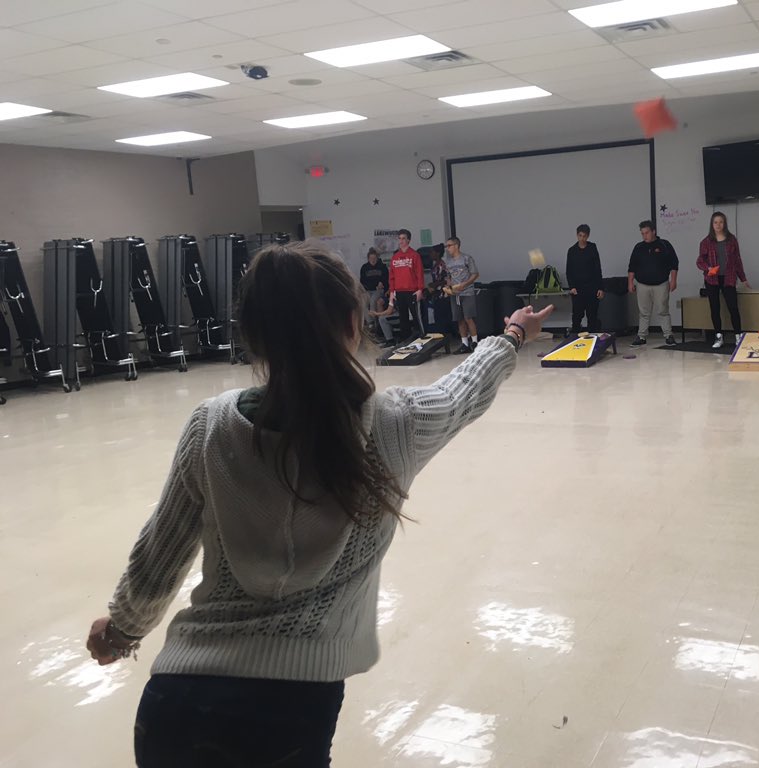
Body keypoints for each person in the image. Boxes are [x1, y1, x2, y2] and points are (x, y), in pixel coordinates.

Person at [85, 241, 554, 768]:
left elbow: (161, 551)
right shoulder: (396, 423)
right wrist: (514, 333)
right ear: (354, 323)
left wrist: (122, 629)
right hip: (288, 715)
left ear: (254, 336)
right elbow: (465, 388)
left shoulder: (210, 425)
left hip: (173, 704)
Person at [696, 211, 751, 348]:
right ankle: (718, 336)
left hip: (729, 277)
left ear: (724, 223)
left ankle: (738, 336)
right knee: (715, 308)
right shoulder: (706, 241)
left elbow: (737, 260)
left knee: (733, 307)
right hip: (712, 279)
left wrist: (743, 278)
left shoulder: (731, 240)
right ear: (712, 224)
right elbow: (700, 260)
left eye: (721, 222)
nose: (718, 225)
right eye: (715, 222)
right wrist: (708, 268)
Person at [627, 220, 678, 347]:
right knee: (644, 312)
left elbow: (674, 264)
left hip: (661, 284)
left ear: (653, 231)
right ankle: (641, 336)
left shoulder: (664, 245)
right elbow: (632, 267)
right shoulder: (638, 247)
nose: (645, 236)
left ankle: (668, 335)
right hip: (642, 285)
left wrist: (674, 280)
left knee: (663, 310)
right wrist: (630, 282)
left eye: (647, 233)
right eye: (642, 233)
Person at [443, 236, 480, 354]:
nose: (447, 248)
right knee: (459, 319)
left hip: (467, 292)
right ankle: (464, 343)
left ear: (456, 246)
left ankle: (475, 342)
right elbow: (449, 276)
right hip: (455, 294)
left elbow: (475, 274)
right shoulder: (448, 262)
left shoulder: (466, 258)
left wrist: (464, 284)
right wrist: (448, 286)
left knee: (468, 317)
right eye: (446, 246)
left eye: (449, 246)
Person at [565, 224, 604, 335]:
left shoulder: (592, 248)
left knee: (592, 316)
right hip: (577, 288)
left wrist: (600, 287)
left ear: (588, 236)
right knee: (577, 315)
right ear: (577, 235)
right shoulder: (572, 251)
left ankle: (593, 341)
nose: (582, 238)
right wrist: (571, 286)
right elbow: (569, 271)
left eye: (584, 236)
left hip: (592, 287)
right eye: (580, 235)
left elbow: (597, 268)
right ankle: (573, 340)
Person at [388, 229, 424, 341]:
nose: (401, 241)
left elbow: (420, 273)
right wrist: (392, 292)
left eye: (403, 238)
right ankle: (406, 340)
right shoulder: (395, 257)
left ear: (408, 240)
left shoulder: (415, 255)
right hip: (399, 291)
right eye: (399, 238)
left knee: (416, 316)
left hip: (412, 291)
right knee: (403, 317)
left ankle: (421, 338)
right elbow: (392, 276)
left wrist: (420, 289)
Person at [359, 248, 388, 330]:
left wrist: (381, 283)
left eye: (374, 258)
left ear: (377, 258)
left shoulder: (382, 267)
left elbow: (386, 279)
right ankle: (370, 322)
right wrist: (374, 284)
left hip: (378, 290)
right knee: (363, 302)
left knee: (372, 301)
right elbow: (363, 281)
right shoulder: (364, 267)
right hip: (368, 290)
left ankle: (377, 323)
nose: (373, 260)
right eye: (371, 258)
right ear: (368, 259)